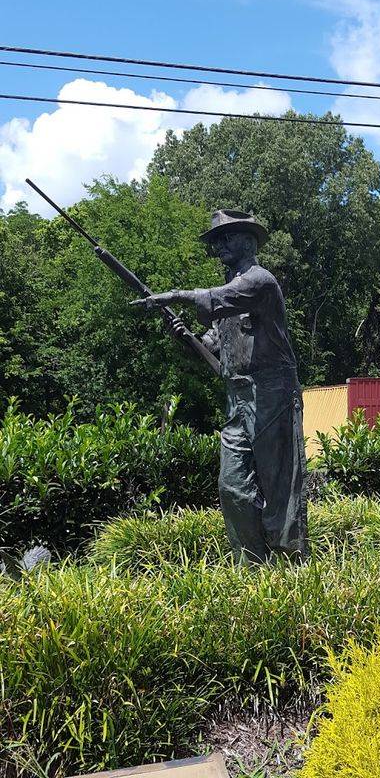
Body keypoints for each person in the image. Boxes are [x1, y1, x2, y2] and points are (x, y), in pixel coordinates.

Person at [131, 209, 308, 564]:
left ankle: (289, 563)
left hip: (271, 392)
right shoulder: (231, 292)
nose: (219, 246)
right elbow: (213, 341)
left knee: (279, 488)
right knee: (232, 486)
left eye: (225, 238)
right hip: (237, 397)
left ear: (248, 240)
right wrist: (186, 337)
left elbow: (217, 298)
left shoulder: (259, 281)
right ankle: (251, 566)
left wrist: (170, 296)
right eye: (216, 241)